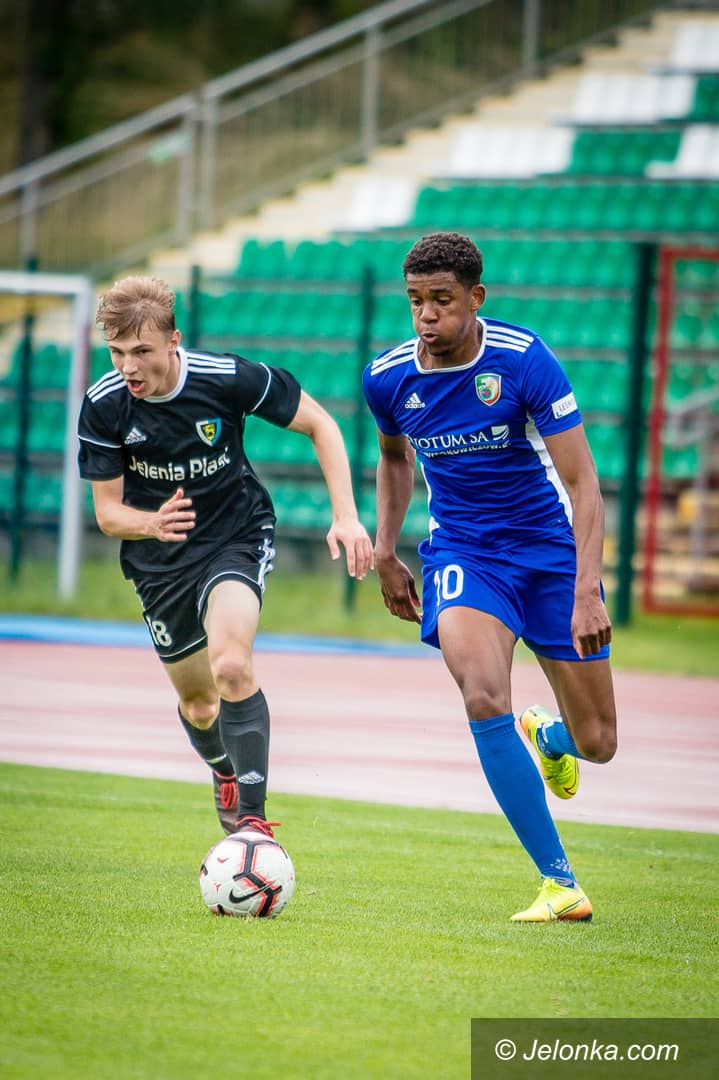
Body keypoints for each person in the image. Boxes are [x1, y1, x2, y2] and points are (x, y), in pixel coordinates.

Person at [362, 232, 617, 922]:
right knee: (481, 694)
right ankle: (559, 884)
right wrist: (386, 550)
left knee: (598, 743)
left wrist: (585, 590)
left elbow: (583, 483)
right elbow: (394, 460)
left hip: (550, 556)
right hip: (465, 556)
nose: (426, 315)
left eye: (441, 300)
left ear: (475, 297)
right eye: (415, 300)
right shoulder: (387, 377)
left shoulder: (523, 359)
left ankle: (551, 738)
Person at [78, 274, 373, 838]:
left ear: (174, 340)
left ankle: (253, 825)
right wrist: (151, 523)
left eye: (141, 351)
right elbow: (108, 514)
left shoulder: (226, 378)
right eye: (116, 352)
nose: (128, 366)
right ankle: (222, 768)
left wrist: (346, 515)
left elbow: (321, 424)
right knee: (199, 705)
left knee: (232, 666)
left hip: (235, 536)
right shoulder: (105, 405)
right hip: (159, 562)